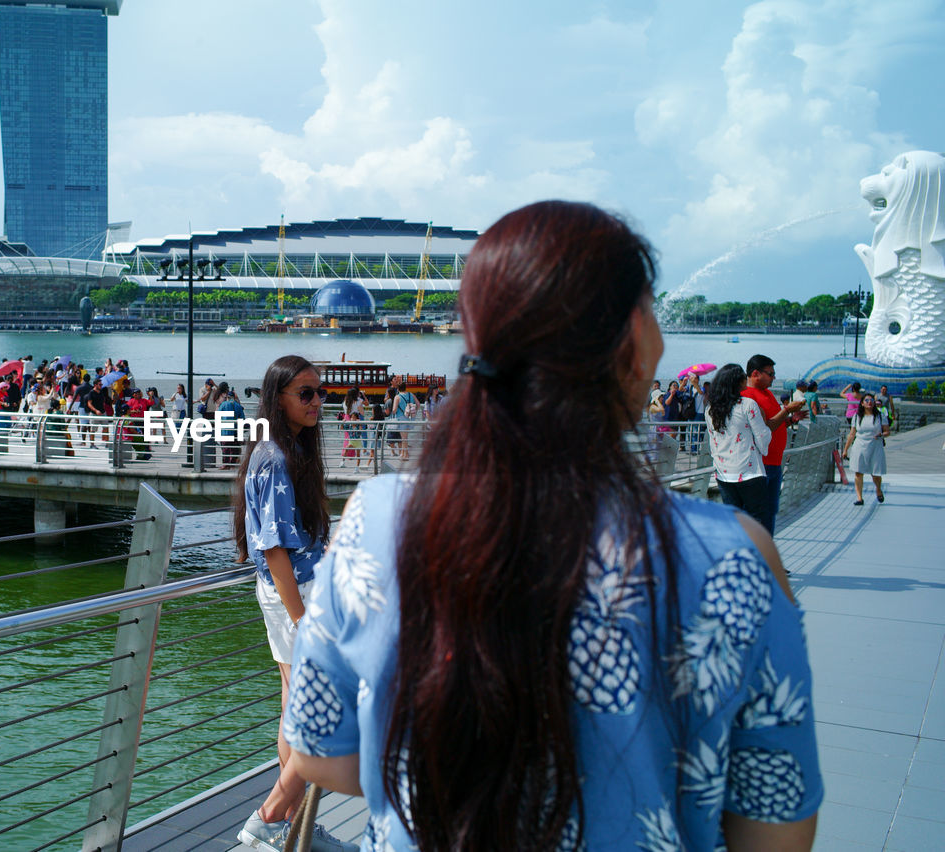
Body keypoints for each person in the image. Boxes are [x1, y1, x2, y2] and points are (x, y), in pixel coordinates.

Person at [283, 202, 821, 851]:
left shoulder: (375, 518)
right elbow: (777, 831)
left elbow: (314, 751)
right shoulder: (736, 556)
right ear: (632, 339)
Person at [233, 355, 355, 852]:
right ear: (276, 399)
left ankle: (285, 823)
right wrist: (304, 618)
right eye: (305, 393)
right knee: (312, 709)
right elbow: (274, 547)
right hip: (293, 598)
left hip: (295, 595)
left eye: (319, 392)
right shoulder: (277, 458)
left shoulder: (285, 452)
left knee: (294, 705)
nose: (317, 402)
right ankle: (272, 818)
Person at [706, 364, 774, 532]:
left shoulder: (711, 409)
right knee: (757, 518)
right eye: (743, 378)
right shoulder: (747, 404)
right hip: (749, 471)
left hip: (724, 473)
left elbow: (712, 440)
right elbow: (762, 435)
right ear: (737, 382)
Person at [741, 354, 805, 535]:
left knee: (769, 512)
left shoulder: (767, 394)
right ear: (755, 374)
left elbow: (774, 423)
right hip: (759, 464)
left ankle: (766, 555)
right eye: (770, 374)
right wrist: (786, 410)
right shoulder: (747, 396)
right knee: (756, 514)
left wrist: (790, 419)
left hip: (774, 463)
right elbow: (764, 428)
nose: (774, 378)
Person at [842, 393, 889, 505]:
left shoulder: (880, 416)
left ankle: (878, 489)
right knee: (858, 472)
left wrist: (881, 435)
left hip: (875, 445)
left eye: (871, 400)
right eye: (867, 400)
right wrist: (845, 449)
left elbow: (887, 431)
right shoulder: (857, 417)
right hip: (860, 445)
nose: (869, 402)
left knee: (875, 473)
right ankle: (859, 498)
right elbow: (852, 434)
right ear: (862, 403)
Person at [216, 383, 245, 469]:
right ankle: (233, 464)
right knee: (234, 447)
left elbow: (217, 415)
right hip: (235, 430)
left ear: (227, 397)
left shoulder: (224, 404)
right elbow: (242, 417)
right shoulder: (238, 406)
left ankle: (226, 464)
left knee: (225, 448)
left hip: (225, 430)